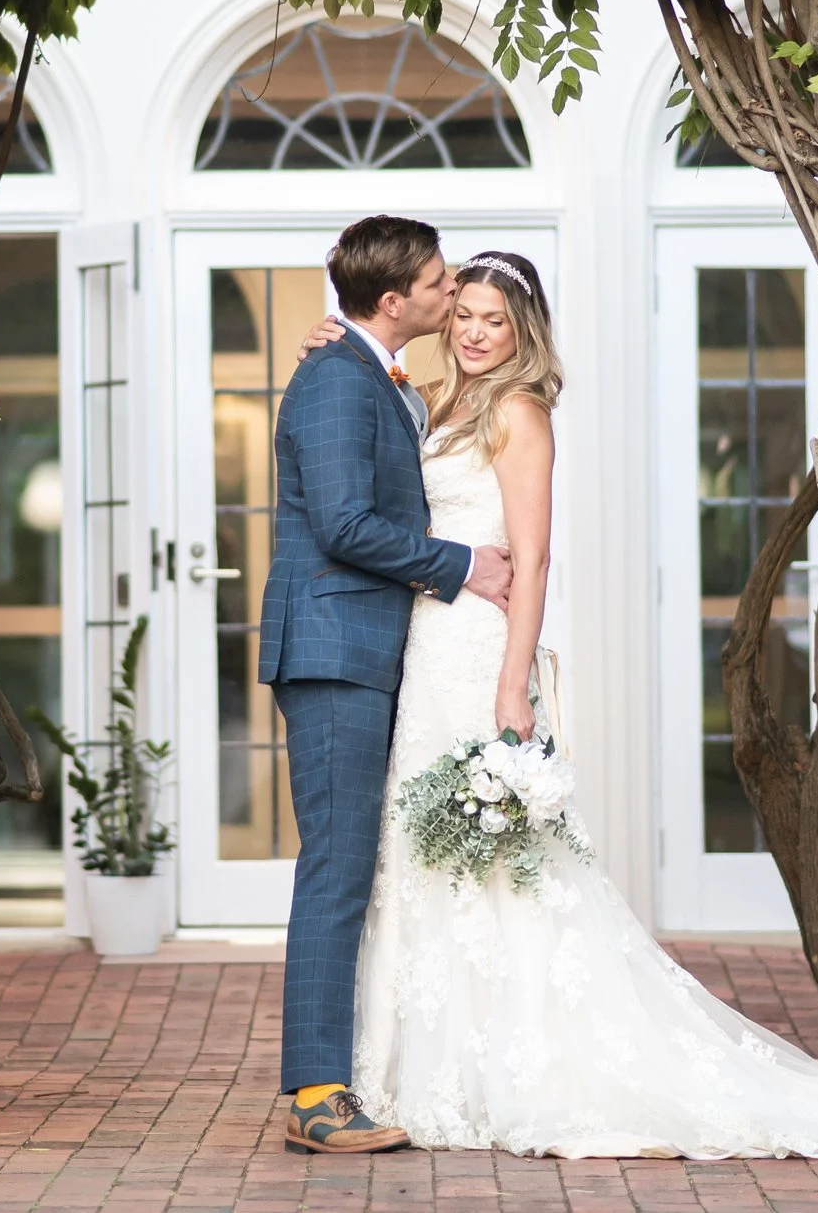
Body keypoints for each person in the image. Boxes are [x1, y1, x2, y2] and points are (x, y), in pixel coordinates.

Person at [297, 251, 818, 1159]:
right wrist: (331, 343)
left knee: (501, 863)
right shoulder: (429, 400)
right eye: (462, 311)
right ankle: (415, 1062)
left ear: (524, 332)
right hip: (421, 647)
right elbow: (369, 414)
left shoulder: (518, 411)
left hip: (475, 651)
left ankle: (517, 1061)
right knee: (415, 854)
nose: (470, 330)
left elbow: (532, 559)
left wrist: (512, 683)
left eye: (493, 319)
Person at [260, 215, 515, 1155]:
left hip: (363, 652)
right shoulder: (337, 377)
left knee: (354, 867)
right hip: (332, 652)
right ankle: (319, 1097)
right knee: (336, 869)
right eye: (443, 283)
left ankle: (340, 1074)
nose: (455, 297)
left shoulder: (370, 371)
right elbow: (342, 524)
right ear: (396, 297)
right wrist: (460, 565)